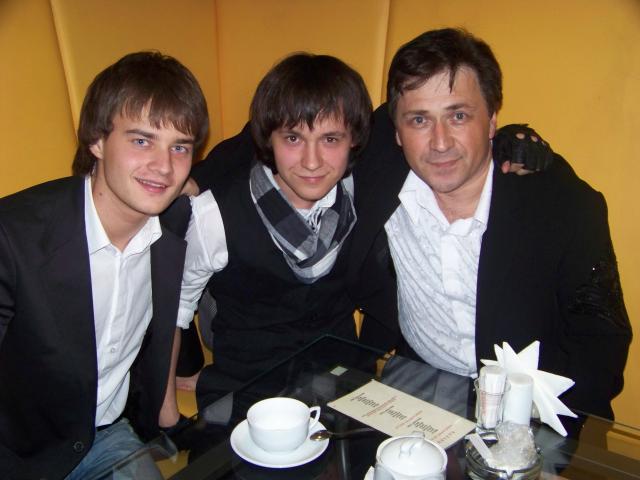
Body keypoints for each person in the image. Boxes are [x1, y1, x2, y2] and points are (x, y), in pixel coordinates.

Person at [171, 52, 553, 408]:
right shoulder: (217, 214)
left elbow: (454, 127)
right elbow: (176, 305)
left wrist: (509, 139)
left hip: (342, 385)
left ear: (354, 139)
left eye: (331, 140)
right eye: (293, 138)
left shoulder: (357, 190)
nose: (312, 161)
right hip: (250, 388)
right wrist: (171, 393)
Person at [348, 28, 632, 421]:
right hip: (417, 384)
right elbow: (294, 135)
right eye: (419, 120)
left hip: (527, 409)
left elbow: (601, 341)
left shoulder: (564, 206)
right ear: (396, 130)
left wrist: (546, 426)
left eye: (459, 116)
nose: (440, 142)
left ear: (492, 119)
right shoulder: (377, 170)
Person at [0, 51, 209, 479]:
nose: (164, 167)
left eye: (179, 147)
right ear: (97, 141)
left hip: (106, 436)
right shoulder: (13, 238)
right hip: (17, 453)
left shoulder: (175, 225)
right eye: (141, 141)